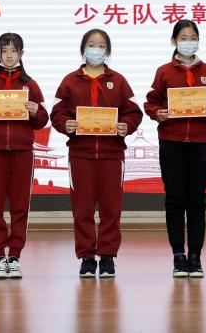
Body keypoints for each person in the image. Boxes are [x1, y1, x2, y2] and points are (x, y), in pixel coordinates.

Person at [51, 28, 143, 279]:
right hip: (80, 155)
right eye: (91, 44)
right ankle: (87, 258)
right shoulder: (70, 81)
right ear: (83, 49)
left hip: (112, 155)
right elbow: (57, 113)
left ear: (108, 51)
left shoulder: (118, 81)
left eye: (101, 45)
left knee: (111, 208)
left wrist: (126, 126)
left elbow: (133, 112)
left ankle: (108, 256)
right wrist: (66, 124)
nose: (96, 49)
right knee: (82, 209)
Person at [143, 20, 206, 278]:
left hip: (200, 142)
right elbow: (150, 102)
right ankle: (178, 255)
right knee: (175, 198)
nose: (189, 42)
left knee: (197, 199)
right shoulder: (164, 71)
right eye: (184, 37)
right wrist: (158, 113)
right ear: (174, 41)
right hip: (171, 141)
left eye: (193, 37)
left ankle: (196, 256)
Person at [0, 33, 49, 279]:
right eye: (4, 51)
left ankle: (14, 256)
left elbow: (42, 120)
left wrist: (35, 111)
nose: (9, 55)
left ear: (21, 54)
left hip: (22, 152)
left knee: (19, 206)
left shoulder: (30, 85)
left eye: (14, 51)